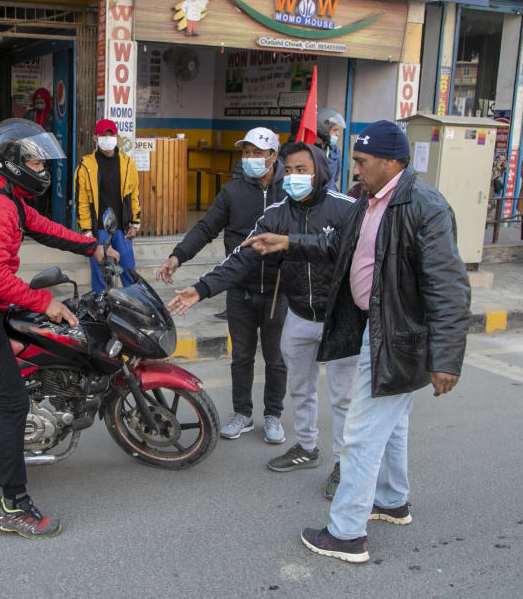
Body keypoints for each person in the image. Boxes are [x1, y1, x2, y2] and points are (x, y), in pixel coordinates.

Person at [252, 120, 470, 564]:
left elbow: (449, 286)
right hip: (375, 325)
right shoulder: (369, 202)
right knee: (393, 426)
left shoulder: (424, 206)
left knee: (361, 433)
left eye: (363, 161)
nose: (356, 168)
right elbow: (338, 247)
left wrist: (446, 357)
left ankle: (347, 532)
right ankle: (392, 501)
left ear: (391, 161)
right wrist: (288, 241)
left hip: (398, 336)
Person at [0, 118, 119, 539]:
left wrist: (92, 246)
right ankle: (11, 504)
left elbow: (44, 227)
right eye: (35, 161)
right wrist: (44, 302)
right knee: (13, 403)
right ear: (13, 161)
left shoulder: (4, 196)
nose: (42, 169)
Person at [168, 142, 358, 496]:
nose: (295, 176)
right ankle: (306, 446)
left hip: (340, 317)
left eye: (304, 170)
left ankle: (345, 466)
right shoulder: (275, 213)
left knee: (343, 398)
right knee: (300, 388)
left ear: (320, 171)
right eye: (292, 170)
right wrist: (201, 289)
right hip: (299, 314)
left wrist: (289, 242)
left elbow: (343, 249)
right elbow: (241, 258)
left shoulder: (346, 209)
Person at [157, 127, 288, 443]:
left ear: (273, 156)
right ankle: (242, 413)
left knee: (276, 359)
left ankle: (273, 415)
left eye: (257, 153)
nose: (250, 159)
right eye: (246, 153)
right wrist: (178, 256)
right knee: (241, 356)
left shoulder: (289, 192)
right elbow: (205, 228)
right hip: (239, 289)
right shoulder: (232, 192)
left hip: (278, 291)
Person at [75, 119, 141, 292]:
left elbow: (134, 195)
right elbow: (81, 202)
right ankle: (102, 308)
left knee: (129, 271)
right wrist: (87, 232)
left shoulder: (128, 164)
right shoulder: (85, 166)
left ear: (117, 137)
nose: (107, 138)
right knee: (101, 273)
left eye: (111, 134)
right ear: (95, 138)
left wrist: (135, 223)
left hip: (122, 227)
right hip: (99, 229)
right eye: (103, 135)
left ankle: (132, 305)